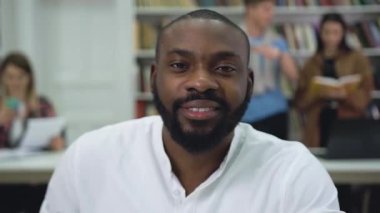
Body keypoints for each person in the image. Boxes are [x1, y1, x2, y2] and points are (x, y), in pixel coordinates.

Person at [41, 9, 341, 212]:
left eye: (224, 68)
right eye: (180, 66)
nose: (201, 82)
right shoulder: (89, 161)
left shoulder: (293, 174)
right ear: (154, 79)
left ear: (248, 83)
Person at [294, 13, 374, 148]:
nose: (331, 37)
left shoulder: (357, 58)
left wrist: (346, 94)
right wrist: (318, 93)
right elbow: (300, 101)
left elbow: (367, 92)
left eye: (336, 32)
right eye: (327, 32)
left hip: (349, 120)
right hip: (319, 122)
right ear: (320, 33)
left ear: (343, 33)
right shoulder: (311, 63)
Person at [240, 0, 298, 140]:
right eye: (266, 9)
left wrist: (280, 55)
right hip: (244, 116)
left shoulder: (277, 40)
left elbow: (294, 76)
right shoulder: (234, 40)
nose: (271, 14)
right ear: (250, 9)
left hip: (275, 113)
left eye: (272, 10)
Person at [0, 52, 65, 150]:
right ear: (3, 78)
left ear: (29, 78)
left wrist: (57, 143)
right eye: (10, 77)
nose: (15, 82)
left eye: (20, 77)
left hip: (36, 163)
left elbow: (60, 136)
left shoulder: (43, 105)